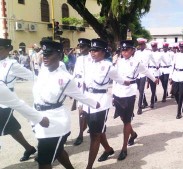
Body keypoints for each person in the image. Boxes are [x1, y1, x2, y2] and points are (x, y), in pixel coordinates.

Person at [33, 40, 100, 169]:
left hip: (55, 123)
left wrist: (95, 103)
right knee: (57, 151)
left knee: (44, 161)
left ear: (59, 55)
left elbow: (80, 96)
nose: (45, 57)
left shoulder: (65, 78)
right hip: (40, 120)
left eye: (49, 54)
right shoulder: (43, 70)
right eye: (44, 53)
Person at [82, 39, 130, 169]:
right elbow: (84, 84)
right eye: (91, 50)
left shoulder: (109, 66)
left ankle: (89, 166)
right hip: (87, 101)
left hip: (100, 102)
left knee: (95, 135)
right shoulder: (87, 64)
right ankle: (108, 149)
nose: (92, 52)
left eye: (96, 50)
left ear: (103, 52)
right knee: (97, 130)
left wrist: (130, 83)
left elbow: (120, 80)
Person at [112, 40, 158, 160]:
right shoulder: (118, 61)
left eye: (127, 49)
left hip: (129, 92)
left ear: (132, 50)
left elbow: (147, 72)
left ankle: (124, 148)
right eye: (122, 49)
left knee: (127, 121)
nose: (124, 52)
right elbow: (114, 78)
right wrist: (113, 94)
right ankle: (133, 134)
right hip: (117, 92)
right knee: (123, 119)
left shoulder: (137, 63)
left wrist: (154, 79)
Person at [0, 38, 39, 161]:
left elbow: (34, 77)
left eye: (0, 49)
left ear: (8, 49)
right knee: (11, 128)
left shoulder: (12, 64)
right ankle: (29, 148)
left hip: (6, 103)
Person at [73, 38, 92, 146]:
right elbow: (75, 74)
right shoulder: (79, 59)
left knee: (90, 111)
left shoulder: (93, 58)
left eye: (83, 47)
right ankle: (80, 134)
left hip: (90, 89)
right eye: (80, 46)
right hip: (80, 89)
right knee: (81, 113)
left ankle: (90, 125)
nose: (81, 49)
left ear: (89, 47)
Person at [134, 38, 153, 114]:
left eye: (142, 44)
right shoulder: (136, 53)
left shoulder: (148, 53)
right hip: (137, 73)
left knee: (141, 90)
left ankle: (139, 107)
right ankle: (144, 102)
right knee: (139, 89)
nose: (141, 46)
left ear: (145, 45)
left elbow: (152, 61)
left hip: (144, 73)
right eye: (139, 44)